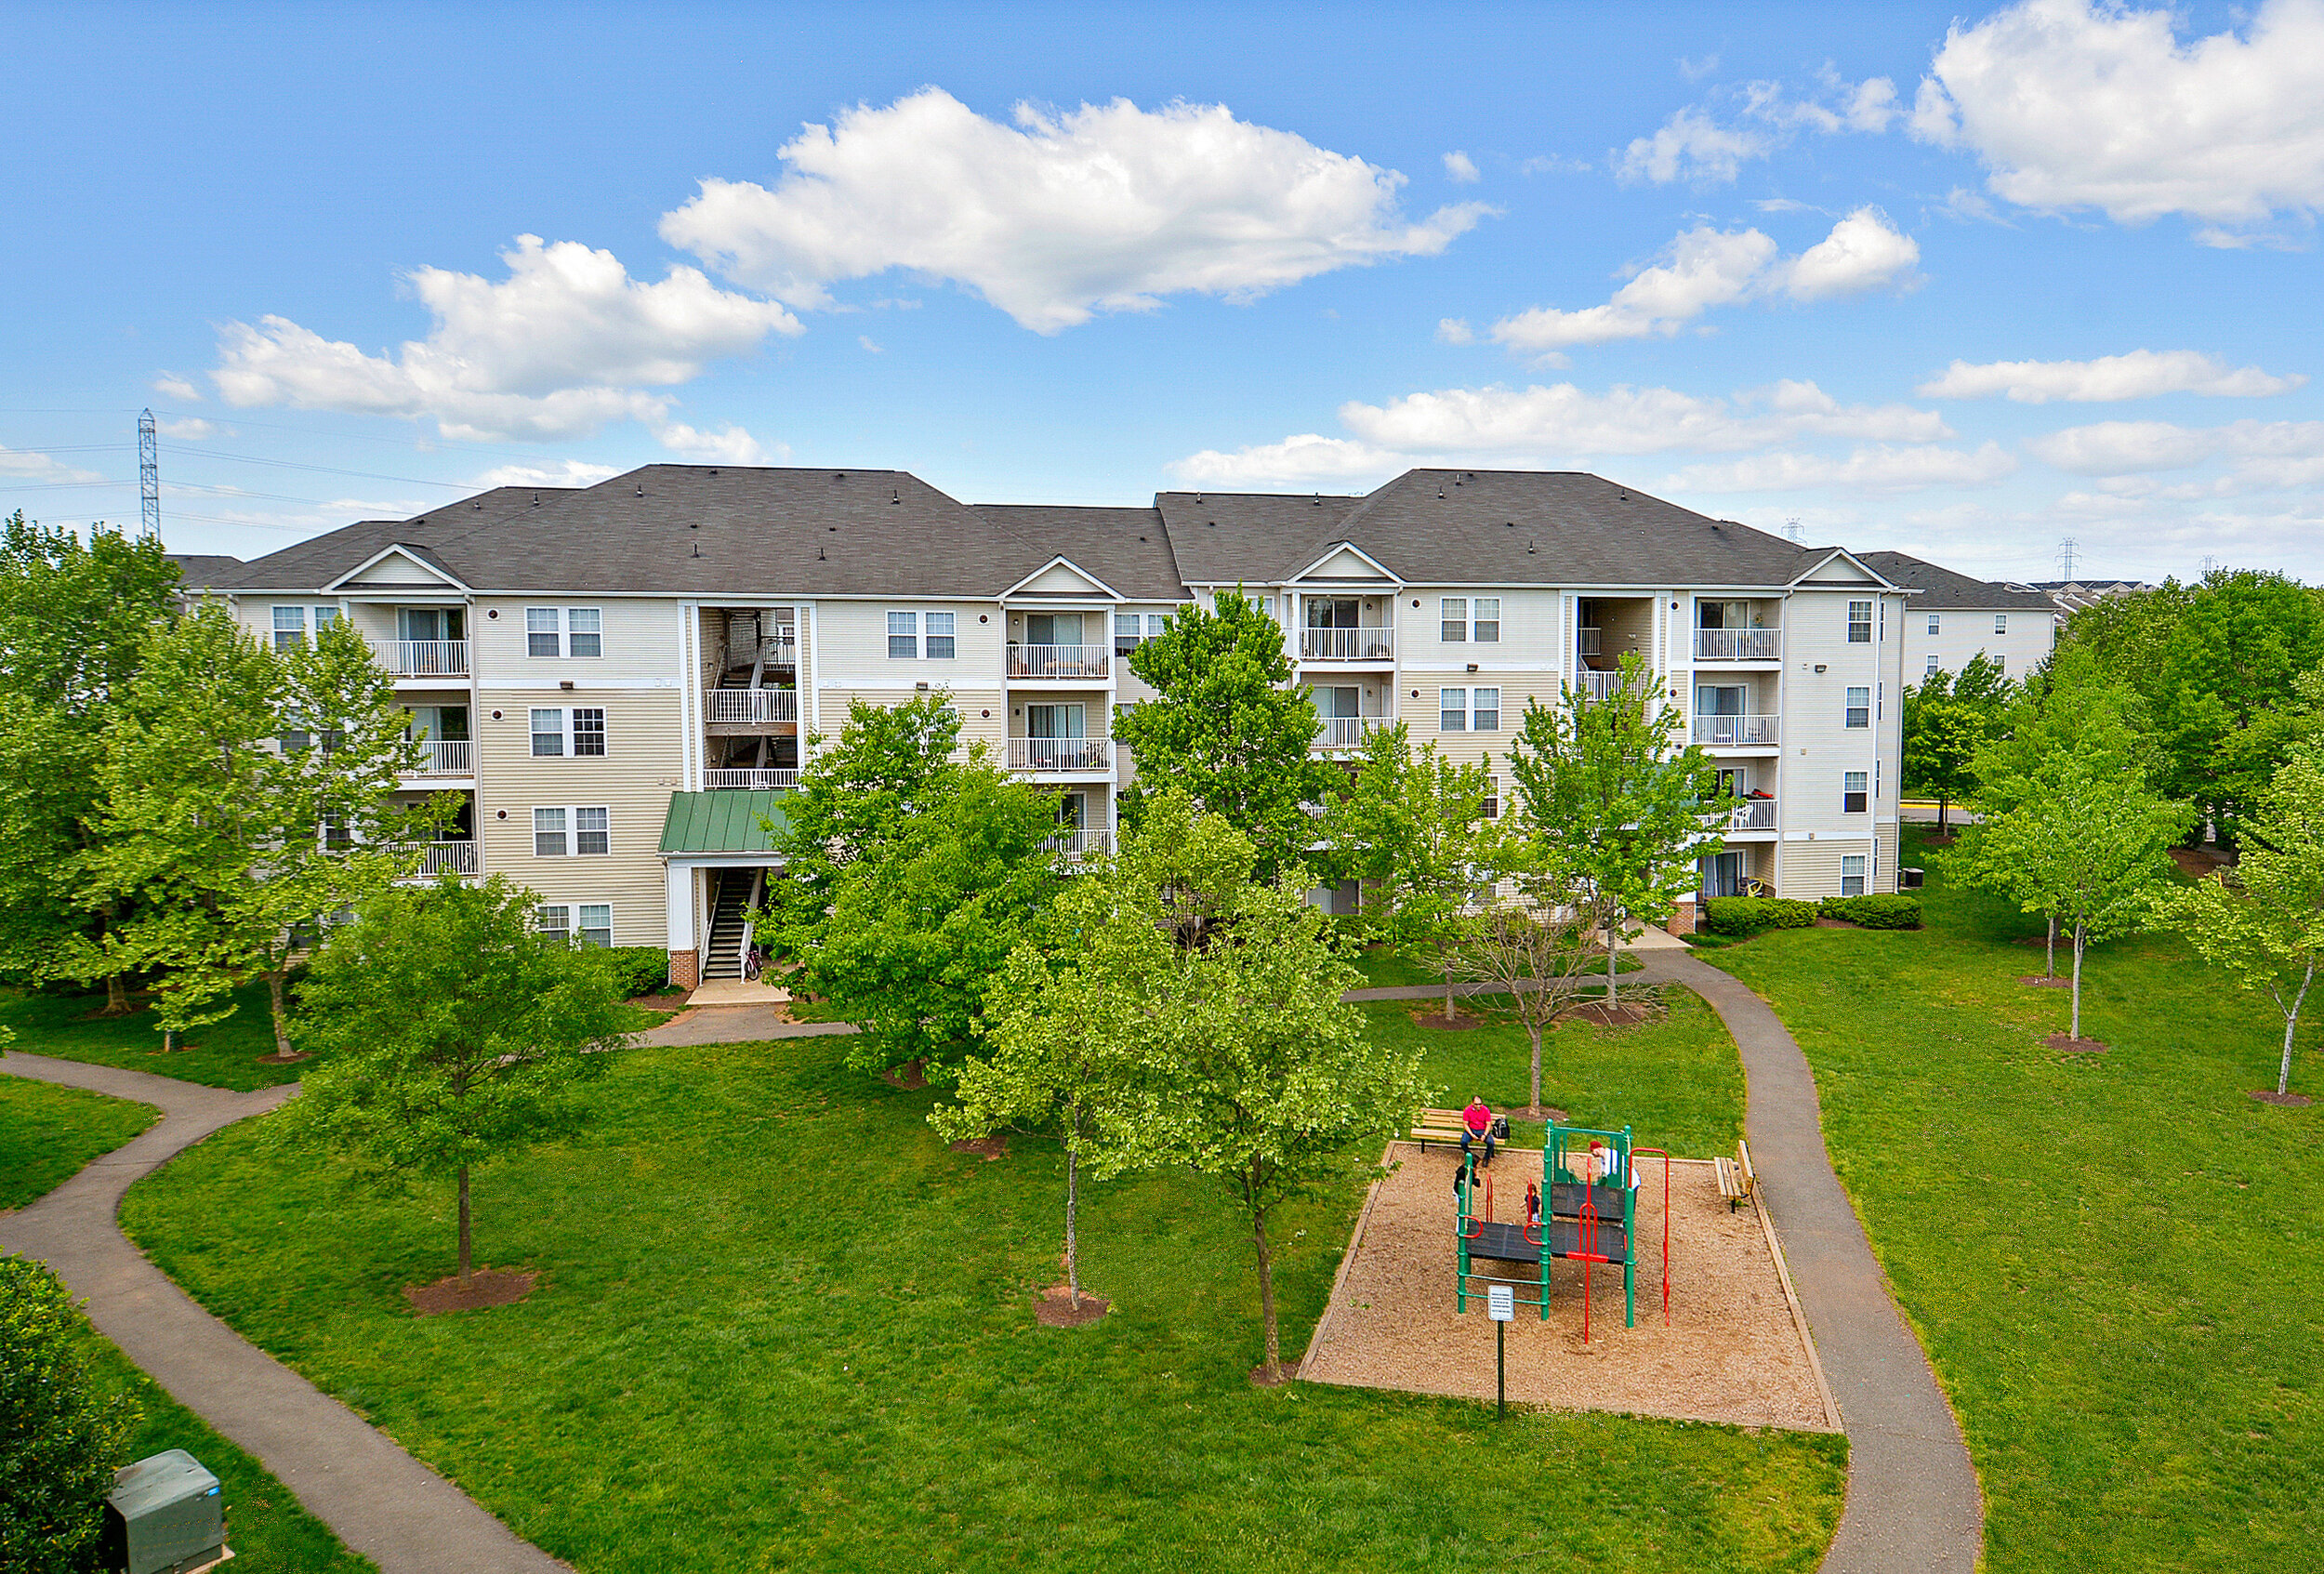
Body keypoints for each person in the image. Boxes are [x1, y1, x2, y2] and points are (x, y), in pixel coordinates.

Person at [1461, 1095, 1497, 1166]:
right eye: (1476, 1104)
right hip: (1472, 1130)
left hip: (1482, 1130)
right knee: (1463, 1142)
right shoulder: (1467, 1110)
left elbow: (1488, 1124)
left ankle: (1486, 1158)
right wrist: (1472, 1135)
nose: (1478, 1106)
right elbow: (1465, 1124)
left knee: (1491, 1143)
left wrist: (1485, 1134)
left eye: (1480, 1104)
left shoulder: (1486, 1110)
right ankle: (1469, 1155)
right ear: (1472, 1104)